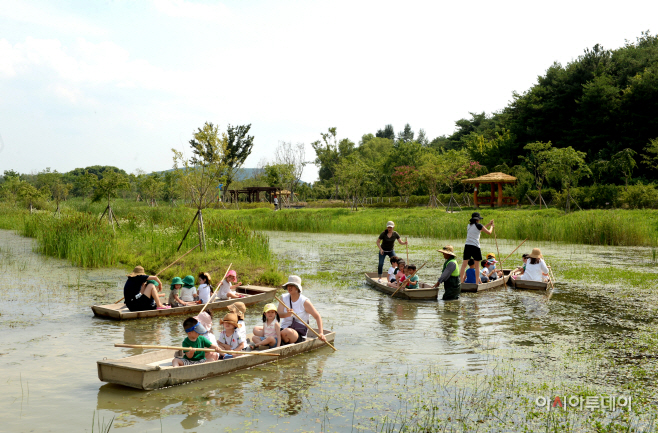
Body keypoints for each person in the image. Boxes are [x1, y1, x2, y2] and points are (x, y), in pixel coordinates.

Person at [277, 275, 326, 345]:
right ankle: (278, 338)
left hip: (298, 333)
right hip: (284, 329)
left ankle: (278, 339)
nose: (289, 287)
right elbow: (278, 314)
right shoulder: (283, 297)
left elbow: (317, 316)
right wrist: (287, 314)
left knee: (287, 332)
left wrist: (321, 333)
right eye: (288, 285)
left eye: (292, 285)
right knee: (258, 329)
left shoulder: (304, 301)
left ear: (297, 288)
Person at [459, 212, 495, 284]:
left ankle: (461, 282)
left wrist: (488, 224)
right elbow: (489, 232)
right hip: (475, 246)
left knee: (464, 264)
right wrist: (492, 226)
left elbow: (480, 229)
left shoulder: (469, 225)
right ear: (477, 219)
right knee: (477, 265)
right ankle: (476, 283)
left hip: (467, 246)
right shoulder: (479, 225)